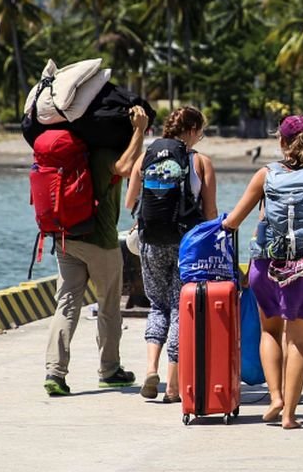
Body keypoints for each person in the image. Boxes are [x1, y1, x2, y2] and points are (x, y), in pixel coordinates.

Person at [222, 115, 303, 429]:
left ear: (281, 141)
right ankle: (290, 415)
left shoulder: (265, 174)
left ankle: (276, 396)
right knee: (298, 341)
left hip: (265, 266)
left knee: (269, 331)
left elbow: (233, 222)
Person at [44, 105, 148, 396]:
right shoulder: (103, 154)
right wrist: (139, 129)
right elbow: (128, 167)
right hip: (99, 241)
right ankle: (110, 370)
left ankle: (55, 373)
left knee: (66, 305)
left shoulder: (72, 152)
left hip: (65, 238)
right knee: (109, 305)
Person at [122, 106, 217, 403]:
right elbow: (211, 213)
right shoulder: (200, 162)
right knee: (180, 309)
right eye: (199, 131)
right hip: (186, 244)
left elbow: (129, 204)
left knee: (158, 306)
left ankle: (151, 368)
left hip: (150, 241)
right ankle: (174, 386)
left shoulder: (145, 157)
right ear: (190, 130)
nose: (200, 136)